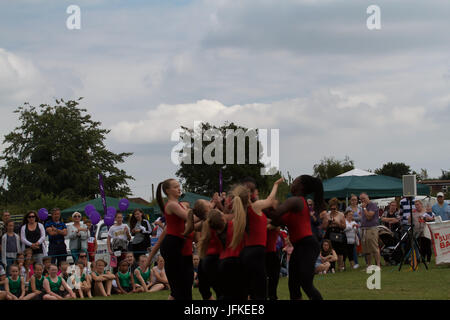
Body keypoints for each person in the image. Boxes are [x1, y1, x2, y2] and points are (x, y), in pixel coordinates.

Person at [267, 175, 324, 300]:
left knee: (306, 283)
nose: (291, 184)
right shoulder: (294, 204)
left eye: (294, 182)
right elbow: (276, 220)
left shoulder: (296, 200)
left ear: (301, 186)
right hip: (298, 246)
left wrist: (258, 205)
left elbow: (275, 214)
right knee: (293, 284)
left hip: (307, 245)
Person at [234, 178, 283, 300]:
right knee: (260, 290)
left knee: (252, 289)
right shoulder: (254, 207)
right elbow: (270, 200)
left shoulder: (244, 210)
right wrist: (276, 185)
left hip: (249, 252)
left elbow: (260, 224)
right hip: (256, 251)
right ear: (251, 194)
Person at [156, 178, 190, 300]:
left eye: (178, 186)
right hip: (172, 244)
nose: (179, 188)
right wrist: (206, 212)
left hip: (176, 243)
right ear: (168, 190)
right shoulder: (172, 205)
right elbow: (188, 217)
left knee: (182, 284)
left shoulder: (178, 204)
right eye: (175, 187)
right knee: (178, 285)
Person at [197, 209, 225, 300]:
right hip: (216, 258)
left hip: (206, 259)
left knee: (206, 289)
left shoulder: (205, 225)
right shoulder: (221, 228)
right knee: (221, 291)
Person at [321, 198, 346, 271]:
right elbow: (323, 227)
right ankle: (332, 267)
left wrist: (338, 223)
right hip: (329, 232)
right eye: (331, 208)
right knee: (330, 250)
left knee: (339, 251)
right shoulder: (327, 215)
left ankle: (340, 267)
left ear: (337, 207)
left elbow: (344, 226)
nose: (333, 210)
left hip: (338, 233)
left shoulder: (341, 214)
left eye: (334, 208)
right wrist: (328, 223)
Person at [359, 193, 381, 268]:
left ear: (368, 197)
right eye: (361, 199)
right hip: (364, 229)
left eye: (364, 198)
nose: (362, 200)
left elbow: (369, 217)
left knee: (374, 247)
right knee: (366, 249)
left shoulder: (373, 205)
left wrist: (364, 208)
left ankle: (378, 265)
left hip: (372, 229)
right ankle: (369, 265)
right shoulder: (363, 207)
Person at [266, 223, 281, 300]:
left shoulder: (275, 222)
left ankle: (272, 296)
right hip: (266, 253)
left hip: (270, 253)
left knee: (273, 279)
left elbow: (277, 225)